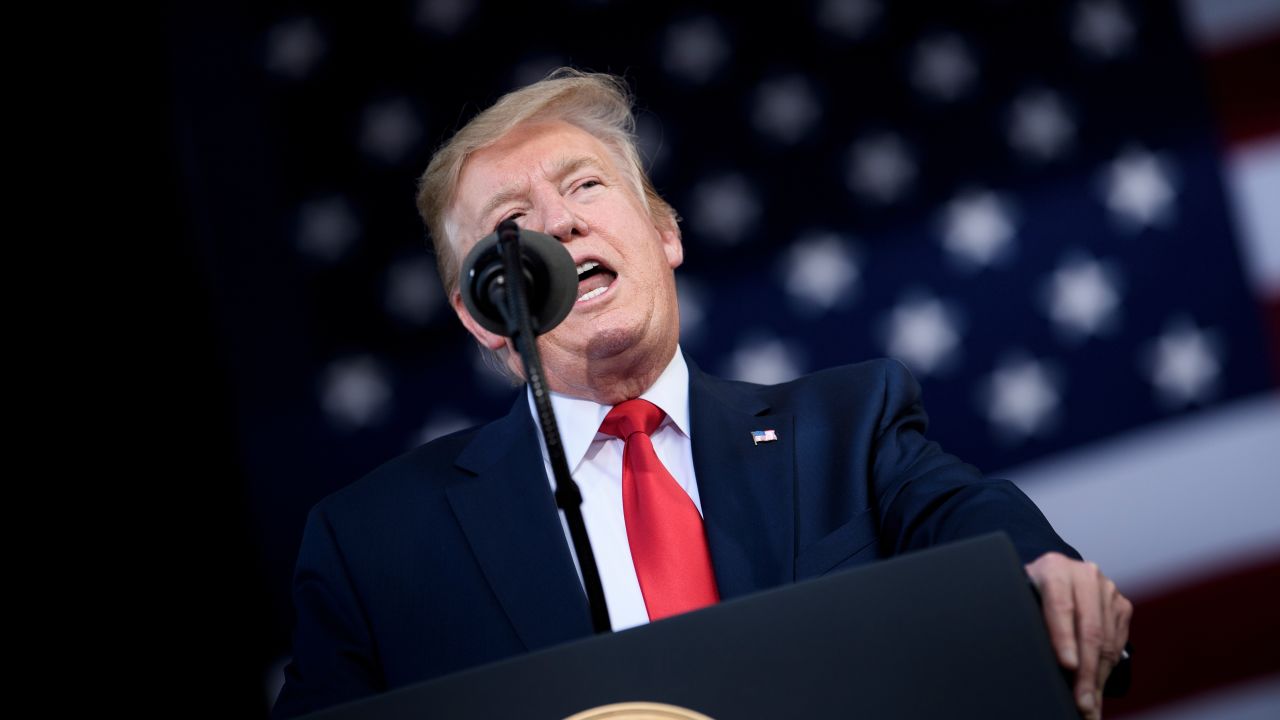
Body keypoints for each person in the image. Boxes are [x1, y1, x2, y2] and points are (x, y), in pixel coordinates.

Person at [273, 68, 1131, 719]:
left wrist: (1036, 571)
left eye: (584, 186)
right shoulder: (372, 545)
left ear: (664, 232)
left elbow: (972, 519)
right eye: (512, 225)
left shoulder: (845, 427)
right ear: (481, 314)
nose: (561, 225)